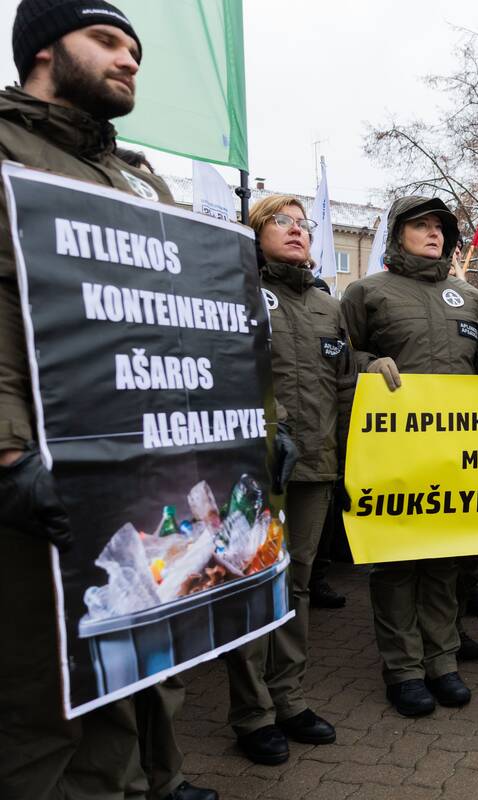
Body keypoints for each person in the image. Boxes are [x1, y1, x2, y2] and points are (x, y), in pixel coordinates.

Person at [0, 4, 217, 798]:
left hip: (137, 465)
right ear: (45, 49)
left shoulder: (138, 175)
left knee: (126, 673)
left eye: (136, 49)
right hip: (35, 475)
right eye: (107, 42)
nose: (129, 61)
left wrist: (252, 431)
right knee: (39, 701)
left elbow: (187, 319)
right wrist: (11, 450)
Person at [341, 196, 478, 716]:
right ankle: (404, 670)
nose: (433, 234)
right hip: (393, 451)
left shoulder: (469, 297)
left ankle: (442, 661)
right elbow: (340, 360)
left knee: (446, 561)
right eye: (421, 225)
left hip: (455, 451)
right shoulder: (366, 292)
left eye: (440, 228)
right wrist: (367, 362)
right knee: (397, 564)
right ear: (397, 234)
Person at [223, 196, 348, 764]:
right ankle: (253, 714)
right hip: (254, 466)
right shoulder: (235, 288)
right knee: (253, 586)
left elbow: (342, 379)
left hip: (315, 465)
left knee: (296, 584)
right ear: (257, 228)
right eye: (283, 221)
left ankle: (289, 697)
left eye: (305, 224)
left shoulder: (326, 305)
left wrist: (371, 366)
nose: (298, 231)